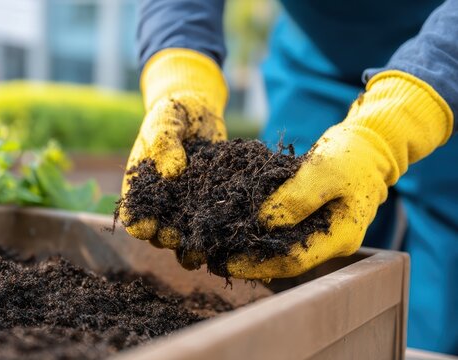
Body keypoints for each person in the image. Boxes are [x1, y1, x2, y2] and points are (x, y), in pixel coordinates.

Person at [119, 0, 457, 354]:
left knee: (441, 290)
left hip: (446, 66)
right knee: (290, 234)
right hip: (315, 60)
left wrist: (388, 129)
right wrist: (182, 75)